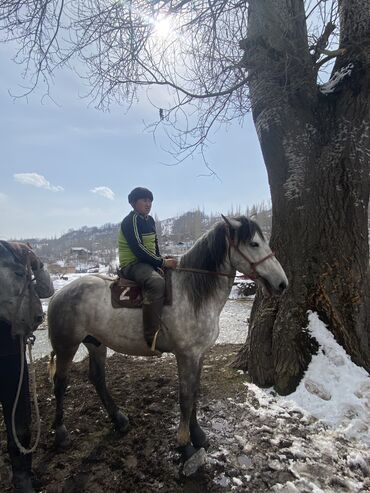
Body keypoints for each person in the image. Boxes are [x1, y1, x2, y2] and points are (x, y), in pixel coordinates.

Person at [0, 242, 54, 493]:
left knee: (19, 416)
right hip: (10, 350)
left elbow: (45, 289)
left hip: (11, 352)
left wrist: (37, 264)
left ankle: (22, 471)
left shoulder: (15, 255)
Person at [118, 187, 177, 352]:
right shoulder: (131, 221)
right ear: (133, 203)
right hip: (133, 264)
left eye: (150, 200)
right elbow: (138, 249)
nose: (148, 203)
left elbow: (154, 245)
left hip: (146, 262)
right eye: (144, 200)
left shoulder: (149, 220)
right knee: (157, 283)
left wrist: (160, 261)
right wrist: (162, 263)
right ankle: (152, 336)